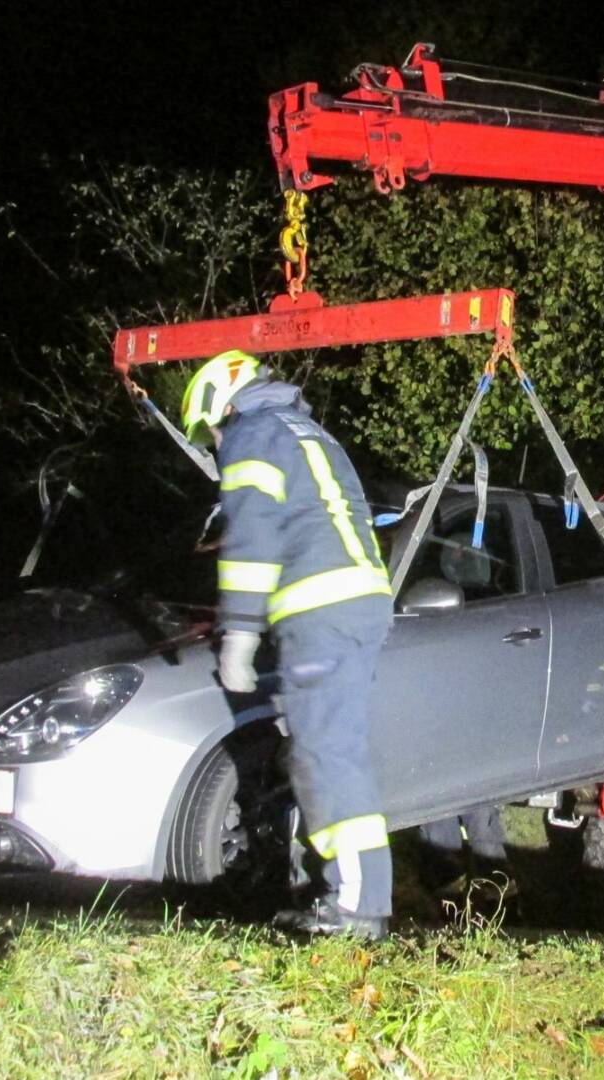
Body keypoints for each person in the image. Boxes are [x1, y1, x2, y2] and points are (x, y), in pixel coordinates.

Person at [181, 349, 394, 940]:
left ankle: (355, 906)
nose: (216, 441)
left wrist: (240, 636)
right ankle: (344, 893)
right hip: (357, 601)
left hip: (319, 607)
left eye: (211, 429)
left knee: (326, 751)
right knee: (328, 749)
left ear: (224, 406)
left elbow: (250, 540)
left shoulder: (253, 434)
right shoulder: (308, 432)